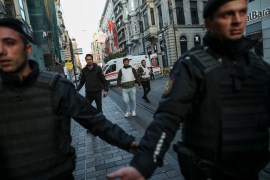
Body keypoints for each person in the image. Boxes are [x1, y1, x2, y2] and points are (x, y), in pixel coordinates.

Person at [107, 0, 270, 180]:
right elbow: (167, 118)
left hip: (250, 171)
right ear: (208, 23)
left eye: (242, 12)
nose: (237, 20)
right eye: (227, 14)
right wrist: (143, 164)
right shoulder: (191, 66)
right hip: (208, 173)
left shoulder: (259, 67)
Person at [0, 17, 137, 180]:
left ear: (27, 49)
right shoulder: (82, 72)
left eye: (9, 42)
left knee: (98, 111)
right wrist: (78, 89)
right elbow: (83, 81)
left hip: (59, 176)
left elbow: (95, 120)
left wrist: (131, 144)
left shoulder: (56, 86)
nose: (1, 50)